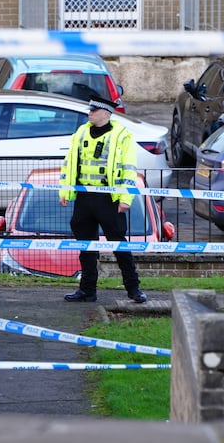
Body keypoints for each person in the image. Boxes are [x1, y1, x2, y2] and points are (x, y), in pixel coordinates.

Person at [58, 96, 147, 303]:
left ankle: (134, 290)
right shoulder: (80, 133)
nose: (90, 113)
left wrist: (125, 199)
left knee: (120, 246)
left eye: (94, 110)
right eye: (90, 109)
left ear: (106, 113)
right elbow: (69, 164)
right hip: (84, 197)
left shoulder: (121, 136)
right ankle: (87, 291)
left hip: (109, 199)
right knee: (86, 247)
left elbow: (128, 170)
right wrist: (64, 191)